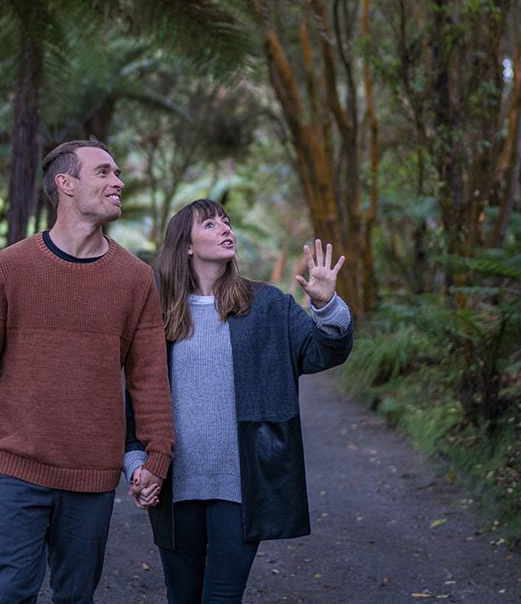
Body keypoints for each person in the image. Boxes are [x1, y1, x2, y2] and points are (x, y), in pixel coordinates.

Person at [0, 139, 175, 604]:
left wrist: (157, 455)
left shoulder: (135, 278)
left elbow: (149, 377)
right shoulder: (10, 267)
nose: (118, 182)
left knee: (75, 597)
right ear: (66, 184)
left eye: (117, 173)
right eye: (104, 172)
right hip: (17, 469)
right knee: (7, 594)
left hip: (92, 477)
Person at [124, 198, 353, 604]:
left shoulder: (266, 305)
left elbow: (323, 352)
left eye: (226, 222)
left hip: (242, 483)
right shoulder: (155, 313)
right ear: (187, 245)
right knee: (182, 596)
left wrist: (325, 304)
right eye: (210, 224)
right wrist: (136, 464)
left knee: (224, 597)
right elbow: (136, 397)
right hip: (174, 481)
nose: (225, 229)